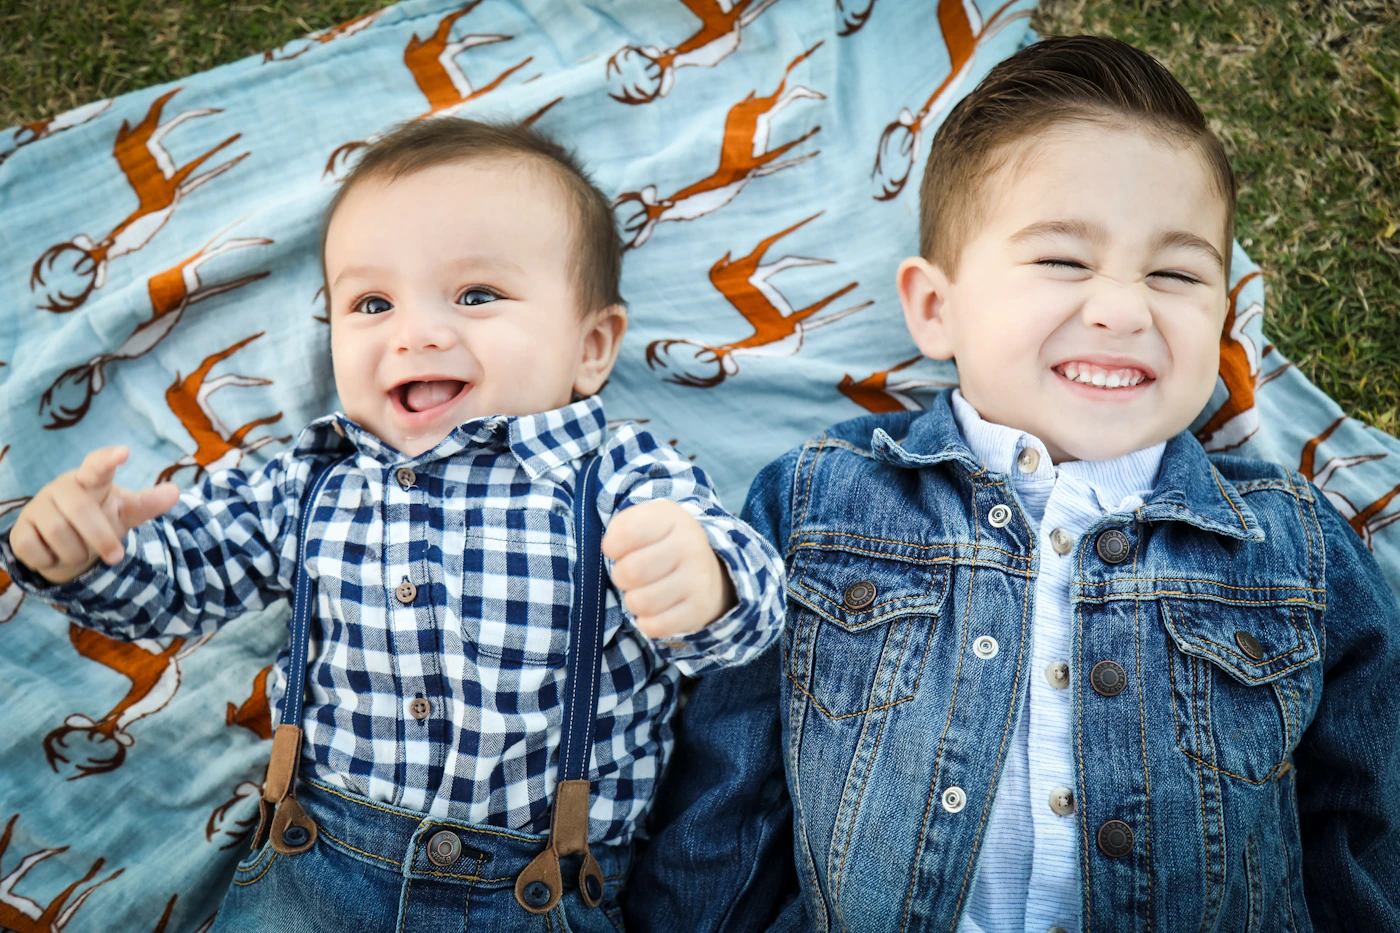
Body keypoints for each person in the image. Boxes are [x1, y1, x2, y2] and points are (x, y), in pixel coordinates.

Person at [0, 118, 785, 932]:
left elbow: (752, 625)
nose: (416, 331)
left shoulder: (622, 473)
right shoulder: (312, 476)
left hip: (542, 883)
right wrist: (83, 555)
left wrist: (707, 581)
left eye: (477, 295)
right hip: (317, 863)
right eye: (372, 302)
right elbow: (185, 579)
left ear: (592, 347)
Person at [732, 35, 1400, 931]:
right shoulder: (818, 502)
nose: (1123, 307)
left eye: (1176, 273)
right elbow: (731, 790)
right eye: (1062, 261)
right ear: (936, 307)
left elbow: (1365, 820)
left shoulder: (1295, 544)